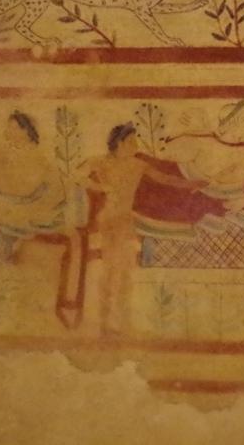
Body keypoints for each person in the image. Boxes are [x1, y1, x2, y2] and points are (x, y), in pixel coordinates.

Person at [85, 123, 180, 335]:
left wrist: (194, 185)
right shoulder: (101, 162)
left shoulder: (138, 165)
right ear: (119, 142)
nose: (136, 145)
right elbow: (76, 175)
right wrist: (101, 187)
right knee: (110, 272)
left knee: (126, 273)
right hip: (109, 222)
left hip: (126, 223)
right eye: (131, 141)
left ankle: (123, 323)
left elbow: (165, 179)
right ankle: (104, 323)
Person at [0, 111, 67, 251]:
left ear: (26, 131)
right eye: (9, 127)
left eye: (15, 128)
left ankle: (4, 244)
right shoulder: (7, 149)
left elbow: (27, 185)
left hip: (29, 199)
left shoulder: (34, 154)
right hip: (11, 194)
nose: (10, 131)